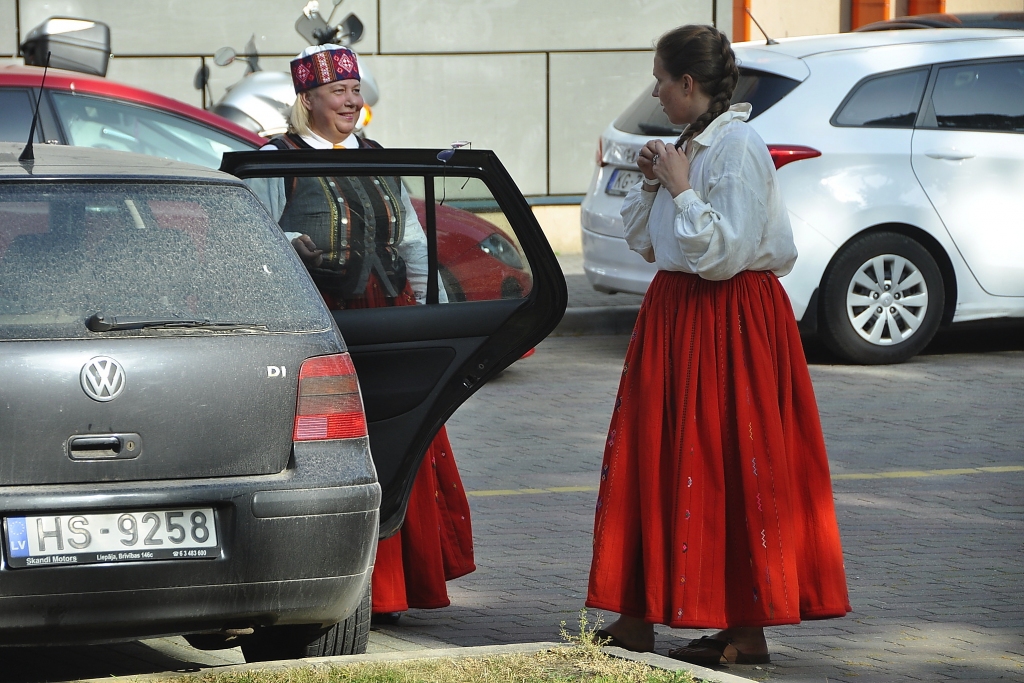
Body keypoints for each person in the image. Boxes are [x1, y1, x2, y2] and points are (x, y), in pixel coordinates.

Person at [585, 25, 851, 666]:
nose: (654, 91)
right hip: (678, 313)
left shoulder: (736, 147)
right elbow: (649, 244)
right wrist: (656, 182)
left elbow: (724, 255)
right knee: (656, 452)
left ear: (687, 83)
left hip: (726, 318)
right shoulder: (690, 143)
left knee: (727, 460)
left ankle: (744, 627)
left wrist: (681, 188)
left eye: (660, 79)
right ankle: (639, 613)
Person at [251, 44, 475, 621]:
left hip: (389, 312)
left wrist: (432, 308)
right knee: (340, 443)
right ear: (309, 100)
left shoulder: (376, 154)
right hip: (328, 318)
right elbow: (257, 237)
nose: (351, 101)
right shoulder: (278, 158)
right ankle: (341, 583)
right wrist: (291, 249)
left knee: (402, 434)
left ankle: (399, 586)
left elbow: (411, 238)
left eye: (355, 90)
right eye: (338, 92)